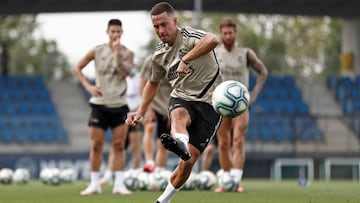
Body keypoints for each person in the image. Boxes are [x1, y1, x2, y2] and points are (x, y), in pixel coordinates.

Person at [126, 2, 223, 203]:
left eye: (164, 24)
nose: (161, 31)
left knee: (187, 163)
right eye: (156, 27)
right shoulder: (159, 55)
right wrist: (141, 111)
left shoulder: (188, 35)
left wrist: (186, 59)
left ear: (175, 21)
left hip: (210, 104)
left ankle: (163, 200)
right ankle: (180, 142)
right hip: (182, 98)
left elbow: (213, 39)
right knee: (179, 114)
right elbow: (152, 84)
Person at [74, 18, 133, 196]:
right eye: (112, 31)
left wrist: (116, 54)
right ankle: (94, 184)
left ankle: (119, 185)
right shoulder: (97, 50)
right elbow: (78, 67)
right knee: (96, 145)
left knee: (119, 145)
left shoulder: (127, 54)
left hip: (119, 105)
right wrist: (88, 86)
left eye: (118, 31)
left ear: (122, 33)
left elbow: (124, 75)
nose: (115, 34)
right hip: (99, 104)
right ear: (107, 32)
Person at [214, 18, 268, 193]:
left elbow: (263, 71)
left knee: (238, 140)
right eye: (225, 33)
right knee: (223, 143)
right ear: (221, 34)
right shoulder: (214, 53)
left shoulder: (245, 53)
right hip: (221, 105)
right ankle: (226, 181)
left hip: (241, 104)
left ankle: (236, 182)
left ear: (235, 33)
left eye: (231, 33)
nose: (228, 36)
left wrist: (254, 94)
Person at [100, 57, 143, 185]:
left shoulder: (140, 78)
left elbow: (144, 95)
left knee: (135, 148)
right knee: (117, 146)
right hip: (122, 116)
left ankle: (134, 176)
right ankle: (108, 176)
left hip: (135, 116)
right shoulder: (120, 80)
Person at [139, 55, 172, 173]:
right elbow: (142, 84)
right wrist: (147, 108)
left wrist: (173, 110)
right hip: (151, 103)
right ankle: (149, 163)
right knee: (150, 127)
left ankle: (160, 172)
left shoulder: (179, 59)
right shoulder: (150, 60)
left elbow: (179, 88)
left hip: (167, 107)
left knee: (164, 141)